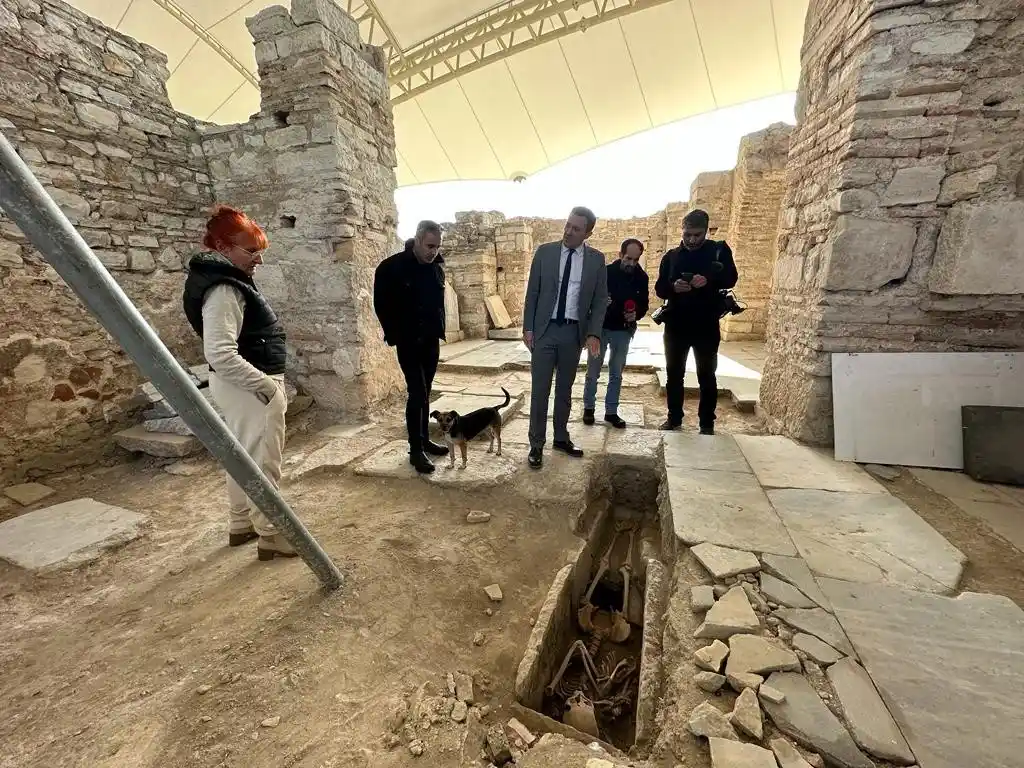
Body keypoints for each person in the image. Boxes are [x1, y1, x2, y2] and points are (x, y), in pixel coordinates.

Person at [182, 205, 296, 560]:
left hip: (239, 387)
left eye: (260, 251)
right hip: (249, 388)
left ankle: (241, 523)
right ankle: (272, 534)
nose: (258, 259)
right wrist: (266, 386)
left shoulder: (224, 281)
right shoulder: (224, 290)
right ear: (222, 247)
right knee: (263, 462)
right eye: (251, 251)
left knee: (243, 459)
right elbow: (219, 353)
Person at [522, 206, 609, 469]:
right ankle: (536, 444)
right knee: (539, 392)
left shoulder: (596, 259)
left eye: (576, 228)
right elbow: (533, 293)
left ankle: (561, 437)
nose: (568, 231)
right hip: (545, 331)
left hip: (573, 333)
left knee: (564, 391)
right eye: (568, 225)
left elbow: (600, 299)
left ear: (588, 232)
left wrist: (593, 333)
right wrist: (528, 327)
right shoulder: (545, 252)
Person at [374, 221, 449, 474]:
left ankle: (425, 439)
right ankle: (415, 450)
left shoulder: (438, 267)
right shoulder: (391, 268)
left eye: (437, 246)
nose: (433, 252)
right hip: (408, 342)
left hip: (430, 340)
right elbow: (381, 305)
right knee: (416, 393)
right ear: (417, 240)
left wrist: (439, 329)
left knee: (426, 392)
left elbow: (439, 304)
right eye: (429, 246)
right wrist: (396, 335)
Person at [654, 209, 738, 435]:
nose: (691, 240)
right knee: (674, 374)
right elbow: (659, 288)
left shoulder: (719, 251)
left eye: (697, 235)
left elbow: (731, 278)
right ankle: (674, 418)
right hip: (676, 325)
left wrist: (709, 279)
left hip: (706, 324)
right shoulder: (671, 256)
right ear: (682, 231)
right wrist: (673, 287)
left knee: (707, 375)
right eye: (687, 234)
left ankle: (706, 423)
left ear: (706, 232)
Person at [582, 238, 649, 428]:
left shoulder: (642, 278)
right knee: (593, 370)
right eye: (628, 259)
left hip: (623, 331)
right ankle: (589, 408)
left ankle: (611, 412)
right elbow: (591, 298)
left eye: (636, 260)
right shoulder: (606, 272)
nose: (632, 264)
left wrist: (636, 314)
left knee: (616, 373)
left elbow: (644, 305)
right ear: (620, 255)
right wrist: (602, 306)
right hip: (600, 329)